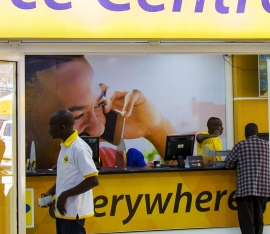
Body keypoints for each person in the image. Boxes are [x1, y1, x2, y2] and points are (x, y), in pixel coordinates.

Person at [25, 56, 175, 169]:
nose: (98, 129)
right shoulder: (22, 188)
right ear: (25, 134)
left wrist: (156, 129)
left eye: (98, 105)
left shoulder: (110, 161)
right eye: (77, 116)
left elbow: (182, 185)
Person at [223, 123, 270, 234]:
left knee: (247, 222)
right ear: (258, 132)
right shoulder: (267, 145)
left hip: (245, 190)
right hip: (263, 189)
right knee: (258, 222)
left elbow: (228, 164)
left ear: (245, 134)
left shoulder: (240, 145)